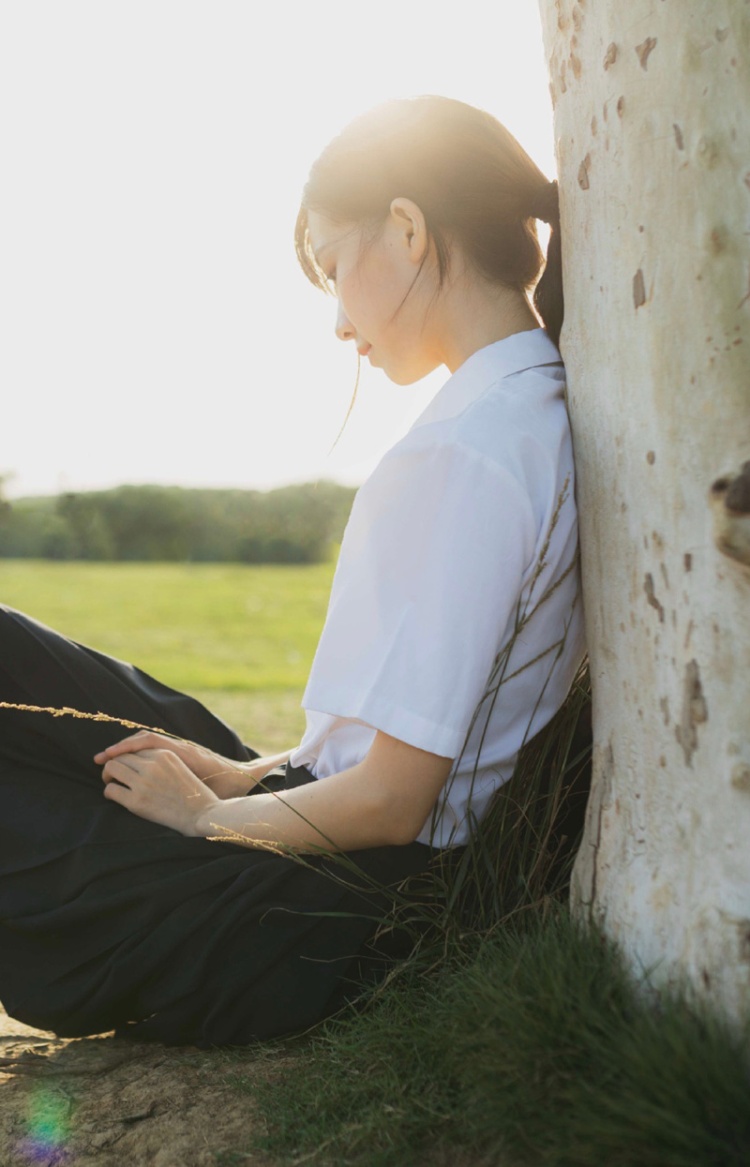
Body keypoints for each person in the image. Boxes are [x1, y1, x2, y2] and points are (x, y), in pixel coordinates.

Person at [0, 96, 585, 1047]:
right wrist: (235, 775)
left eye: (331, 266)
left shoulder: (473, 452)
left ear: (407, 227)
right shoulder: (520, 409)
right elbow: (374, 751)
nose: (339, 321)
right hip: (321, 832)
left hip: (324, 911)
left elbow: (395, 801)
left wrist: (203, 820)